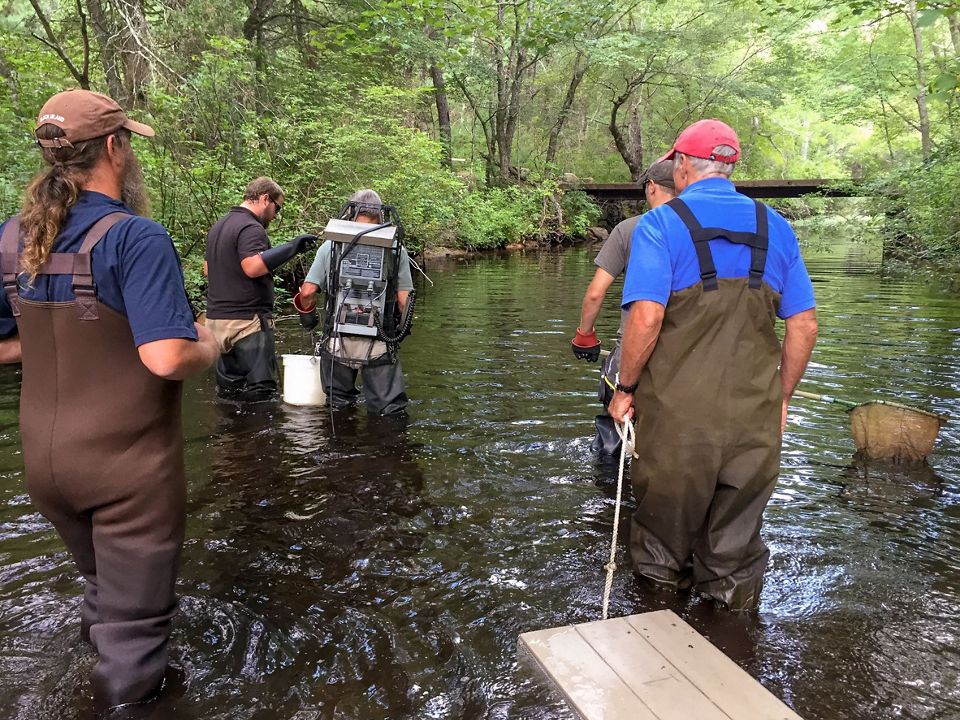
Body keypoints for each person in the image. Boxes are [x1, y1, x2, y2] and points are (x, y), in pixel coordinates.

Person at [0, 89, 219, 709]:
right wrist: (210, 342)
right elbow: (167, 357)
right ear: (117, 150)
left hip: (45, 467)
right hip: (126, 474)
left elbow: (9, 343)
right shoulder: (135, 238)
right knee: (134, 637)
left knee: (104, 592)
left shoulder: (13, 238)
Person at [607, 119, 818, 611]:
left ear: (681, 165)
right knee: (736, 554)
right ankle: (734, 647)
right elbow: (804, 327)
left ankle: (659, 642)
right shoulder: (776, 227)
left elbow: (646, 316)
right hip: (754, 421)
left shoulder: (660, 225)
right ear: (730, 167)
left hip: (678, 421)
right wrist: (780, 399)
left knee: (662, 549)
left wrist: (625, 388)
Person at [571, 159, 676, 456]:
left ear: (652, 188)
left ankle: (608, 495)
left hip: (632, 353)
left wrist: (585, 336)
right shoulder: (700, 232)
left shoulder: (630, 229)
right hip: (683, 358)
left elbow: (595, 294)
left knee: (613, 439)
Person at [294, 190, 413, 415]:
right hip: (378, 343)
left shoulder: (330, 247)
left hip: (337, 341)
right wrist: (397, 334)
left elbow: (308, 292)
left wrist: (309, 319)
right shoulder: (397, 251)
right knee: (389, 414)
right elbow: (404, 300)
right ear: (380, 215)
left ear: (351, 212)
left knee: (337, 409)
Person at [204, 177, 317, 401]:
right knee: (261, 391)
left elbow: (207, 269)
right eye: (278, 207)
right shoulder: (250, 227)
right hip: (246, 323)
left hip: (216, 323)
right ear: (266, 199)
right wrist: (292, 247)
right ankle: (257, 436)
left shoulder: (219, 226)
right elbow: (253, 267)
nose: (276, 216)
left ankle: (232, 435)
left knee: (229, 393)